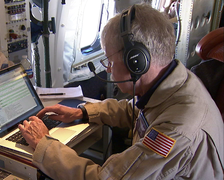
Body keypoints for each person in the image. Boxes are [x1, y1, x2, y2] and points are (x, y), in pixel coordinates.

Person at [18, 3, 224, 179]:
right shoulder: (177, 82)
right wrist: (84, 112)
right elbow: (135, 111)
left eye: (110, 61)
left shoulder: (176, 131)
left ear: (136, 62)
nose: (108, 69)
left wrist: (44, 145)